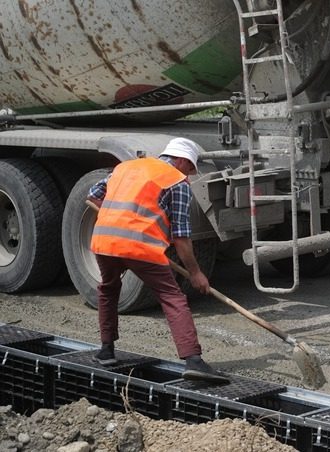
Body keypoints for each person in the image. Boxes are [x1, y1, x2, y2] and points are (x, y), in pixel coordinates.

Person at [87, 137, 229, 384]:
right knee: (172, 297)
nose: (190, 175)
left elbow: (92, 195)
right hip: (140, 247)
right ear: (183, 161)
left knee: (108, 290)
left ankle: (105, 351)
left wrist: (116, 218)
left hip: (104, 241)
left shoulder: (126, 167)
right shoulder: (176, 182)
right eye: (191, 169)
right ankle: (194, 361)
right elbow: (182, 237)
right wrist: (195, 273)